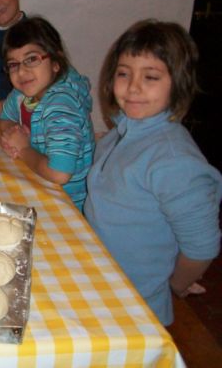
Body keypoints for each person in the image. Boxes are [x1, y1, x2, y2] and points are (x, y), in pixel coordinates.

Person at [84, 20, 221, 326]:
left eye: (151, 77)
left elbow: (202, 246)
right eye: (124, 73)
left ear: (178, 83)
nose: (133, 87)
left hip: (132, 306)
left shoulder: (175, 161)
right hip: (98, 279)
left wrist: (176, 283)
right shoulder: (124, 130)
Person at [0, 17, 94, 210]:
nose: (21, 72)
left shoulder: (61, 107)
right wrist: (14, 134)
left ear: (56, 63)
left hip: (68, 204)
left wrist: (23, 149)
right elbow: (5, 118)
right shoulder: (22, 94)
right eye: (14, 64)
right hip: (39, 182)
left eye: (32, 59)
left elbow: (59, 174)